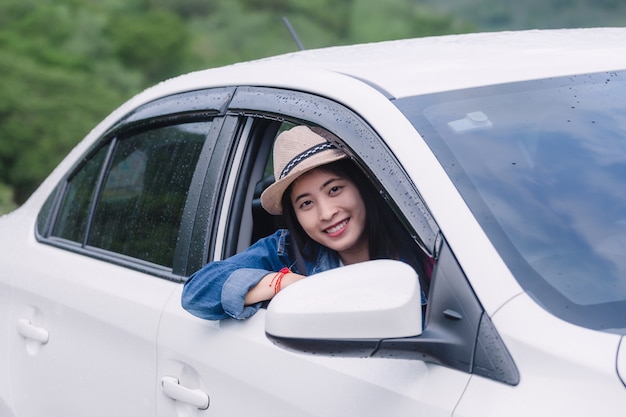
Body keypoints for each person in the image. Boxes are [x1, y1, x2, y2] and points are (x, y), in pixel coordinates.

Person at [182, 125, 425, 320]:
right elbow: (197, 292)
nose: (327, 213)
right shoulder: (287, 251)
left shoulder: (423, 239)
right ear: (294, 215)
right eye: (306, 203)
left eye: (335, 189)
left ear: (361, 187)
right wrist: (285, 282)